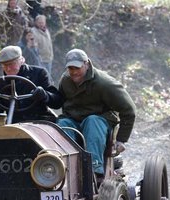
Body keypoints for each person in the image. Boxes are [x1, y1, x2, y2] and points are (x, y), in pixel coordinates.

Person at [57, 49, 136, 177]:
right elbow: (58, 100)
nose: (74, 72)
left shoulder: (104, 83)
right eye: (70, 68)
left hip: (100, 122)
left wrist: (121, 140)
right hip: (74, 120)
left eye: (77, 68)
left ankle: (94, 170)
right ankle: (62, 170)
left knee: (92, 121)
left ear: (86, 64)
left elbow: (129, 110)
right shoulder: (65, 81)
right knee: (62, 124)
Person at [0, 45, 63, 126]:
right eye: (4, 65)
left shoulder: (39, 74)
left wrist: (45, 95)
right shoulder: (0, 84)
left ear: (22, 60)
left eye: (11, 64)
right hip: (15, 126)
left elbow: (57, 103)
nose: (8, 69)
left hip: (40, 123)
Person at [31, 15, 53, 80]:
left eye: (42, 22)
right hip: (40, 60)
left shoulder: (46, 30)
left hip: (49, 58)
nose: (41, 24)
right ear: (36, 22)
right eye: (39, 22)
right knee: (41, 78)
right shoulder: (33, 31)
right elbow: (33, 47)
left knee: (48, 78)